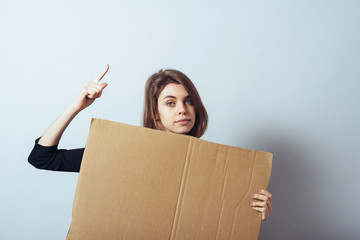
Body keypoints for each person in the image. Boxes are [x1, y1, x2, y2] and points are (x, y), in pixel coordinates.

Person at [28, 65, 273, 221]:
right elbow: (42, 158)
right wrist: (75, 107)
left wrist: (253, 213)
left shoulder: (214, 164)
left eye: (188, 101)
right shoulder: (126, 152)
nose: (182, 110)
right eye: (170, 102)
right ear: (155, 113)